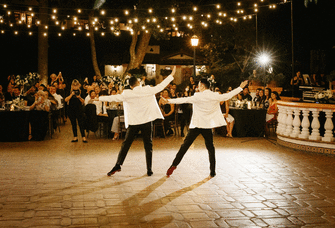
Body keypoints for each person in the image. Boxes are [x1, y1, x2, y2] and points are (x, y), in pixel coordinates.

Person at [99, 66, 176, 177]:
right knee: (148, 145)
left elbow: (114, 98)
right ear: (139, 83)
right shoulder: (147, 89)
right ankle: (149, 169)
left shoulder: (127, 93)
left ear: (130, 86)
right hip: (146, 122)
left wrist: (99, 98)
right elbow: (161, 86)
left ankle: (118, 165)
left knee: (126, 145)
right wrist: (171, 75)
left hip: (134, 123)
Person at [165, 78, 248, 178]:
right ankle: (212, 171)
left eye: (199, 85)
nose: (198, 87)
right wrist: (240, 87)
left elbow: (184, 100)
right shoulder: (215, 95)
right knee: (210, 148)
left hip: (196, 125)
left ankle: (174, 165)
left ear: (203, 86)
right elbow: (228, 95)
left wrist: (168, 101)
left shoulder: (197, 96)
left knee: (184, 146)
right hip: (207, 126)